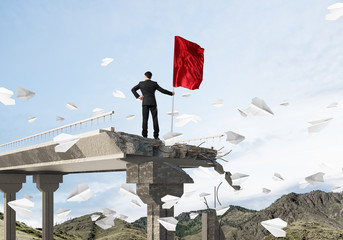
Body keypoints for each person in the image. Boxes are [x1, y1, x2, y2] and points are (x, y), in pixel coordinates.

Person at [131, 71, 174, 139]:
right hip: (153, 102)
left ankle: (144, 135)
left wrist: (139, 96)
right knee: (155, 119)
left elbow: (133, 89)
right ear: (151, 76)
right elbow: (162, 90)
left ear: (145, 76)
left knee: (145, 119)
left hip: (145, 102)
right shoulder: (154, 84)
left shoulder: (141, 84)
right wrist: (171, 93)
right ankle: (156, 136)